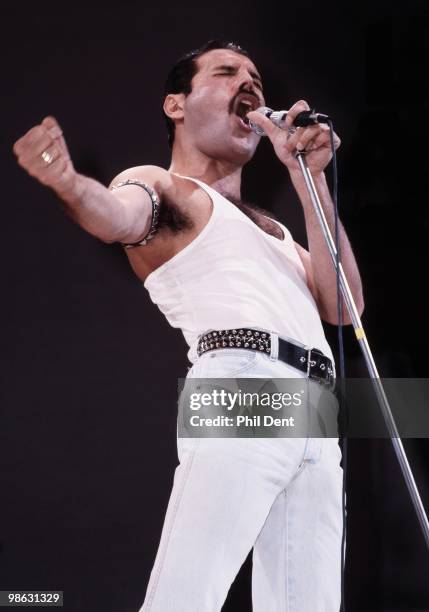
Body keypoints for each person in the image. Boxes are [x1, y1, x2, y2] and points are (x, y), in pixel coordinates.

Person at [13, 40, 364, 611]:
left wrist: (311, 179)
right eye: (227, 73)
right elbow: (117, 215)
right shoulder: (164, 186)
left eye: (255, 78)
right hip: (244, 383)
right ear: (176, 105)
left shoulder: (275, 233)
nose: (249, 85)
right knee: (188, 596)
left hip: (318, 408)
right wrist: (69, 184)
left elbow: (345, 309)